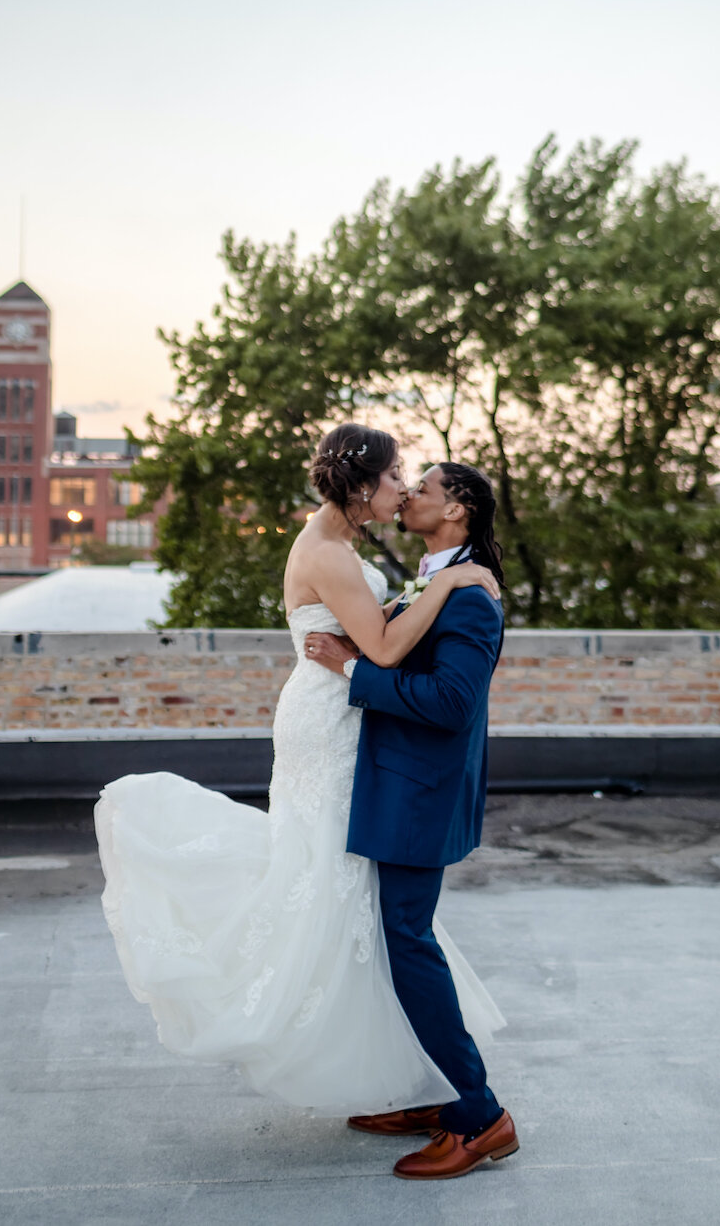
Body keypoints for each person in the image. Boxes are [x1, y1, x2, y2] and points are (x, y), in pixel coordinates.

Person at [94, 425, 504, 1125]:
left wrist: (433, 593)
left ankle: (434, 1091)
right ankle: (450, 1096)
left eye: (416, 481)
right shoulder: (334, 553)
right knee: (336, 893)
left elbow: (397, 661)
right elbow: (378, 648)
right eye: (396, 477)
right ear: (363, 485)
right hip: (332, 720)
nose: (403, 489)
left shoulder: (342, 547)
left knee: (363, 913)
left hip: (351, 719)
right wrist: (447, 584)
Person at [305, 461, 518, 1179]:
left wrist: (351, 671)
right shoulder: (439, 582)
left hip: (416, 793)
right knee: (393, 938)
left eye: (423, 486)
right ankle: (427, 1092)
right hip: (394, 783)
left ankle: (478, 1115)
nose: (409, 494)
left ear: (456, 509)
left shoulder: (470, 599)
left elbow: (452, 702)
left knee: (407, 940)